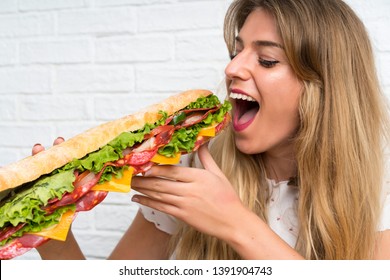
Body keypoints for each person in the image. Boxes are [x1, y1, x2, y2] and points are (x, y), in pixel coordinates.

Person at [34, 0, 390, 260]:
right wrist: (52, 235)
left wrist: (232, 221)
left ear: (326, 87)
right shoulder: (194, 169)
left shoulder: (380, 181)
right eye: (236, 51)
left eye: (266, 60)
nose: (233, 67)